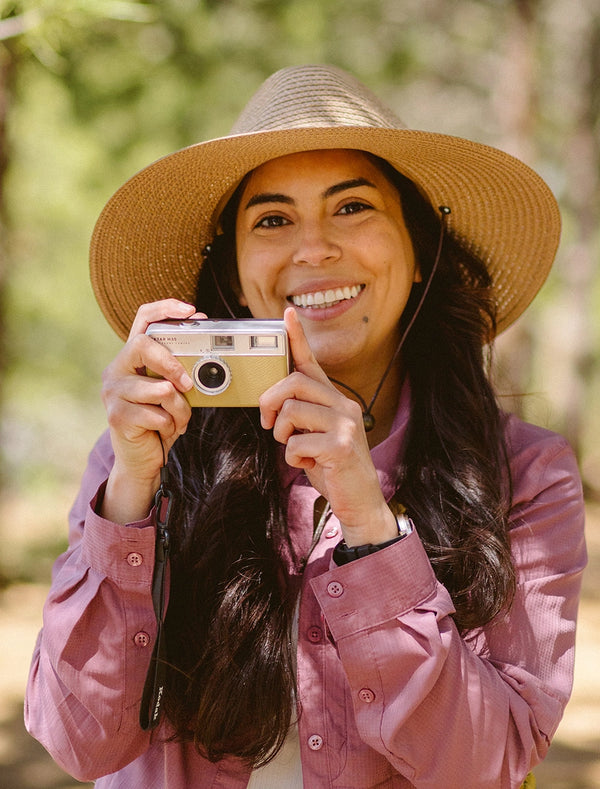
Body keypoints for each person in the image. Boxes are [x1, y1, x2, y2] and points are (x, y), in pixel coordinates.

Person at [25, 64, 586, 788]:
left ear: (419, 251)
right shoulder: (147, 458)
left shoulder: (526, 475)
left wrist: (367, 518)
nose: (313, 248)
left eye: (352, 208)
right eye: (272, 219)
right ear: (232, 266)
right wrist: (130, 494)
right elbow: (80, 741)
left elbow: (486, 764)